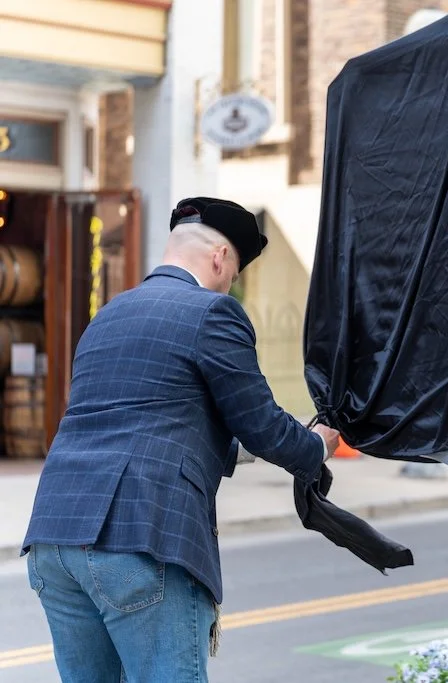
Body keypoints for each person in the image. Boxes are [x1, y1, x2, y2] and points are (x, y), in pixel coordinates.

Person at [22, 197, 341, 682]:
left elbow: (152, 421)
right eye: (233, 272)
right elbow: (262, 424)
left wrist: (241, 451)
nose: (229, 284)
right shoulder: (214, 312)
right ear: (220, 257)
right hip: (139, 534)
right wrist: (315, 445)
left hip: (55, 535)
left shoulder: (106, 316)